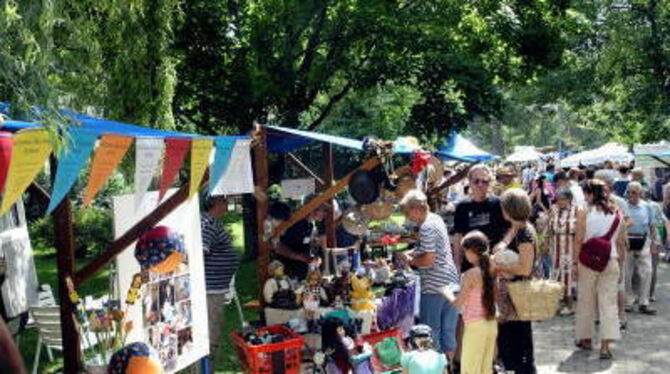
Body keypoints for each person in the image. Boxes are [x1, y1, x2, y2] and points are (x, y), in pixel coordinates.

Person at [397, 190, 460, 363]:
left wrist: (410, 261)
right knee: (448, 332)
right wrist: (412, 253)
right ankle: (449, 368)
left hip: (434, 287)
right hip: (452, 283)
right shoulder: (436, 219)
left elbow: (428, 259)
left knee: (431, 333)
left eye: (408, 213)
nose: (409, 218)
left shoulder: (426, 227)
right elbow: (432, 250)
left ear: (416, 209)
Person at [574, 179, 624, 360]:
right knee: (608, 303)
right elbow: (619, 242)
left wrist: (574, 263)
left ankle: (586, 339)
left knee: (585, 300)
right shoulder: (617, 212)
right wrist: (622, 267)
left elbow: (579, 239)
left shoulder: (583, 211)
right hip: (610, 260)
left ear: (590, 194)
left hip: (587, 261)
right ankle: (605, 346)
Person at [492, 188, 537, 374]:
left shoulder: (525, 232)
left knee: (518, 345)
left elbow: (525, 268)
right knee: (507, 345)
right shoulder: (513, 229)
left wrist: (498, 267)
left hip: (517, 297)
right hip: (506, 298)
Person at [200, 195, 240, 369]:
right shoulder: (207, 223)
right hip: (210, 290)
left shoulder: (210, 221)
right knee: (211, 332)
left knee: (214, 329)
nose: (227, 204)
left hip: (214, 288)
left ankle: (209, 366)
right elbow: (200, 252)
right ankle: (207, 368)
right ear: (215, 203)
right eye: (224, 200)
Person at [452, 231, 497, 374]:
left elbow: (458, 304)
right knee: (485, 369)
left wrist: (446, 293)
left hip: (475, 325)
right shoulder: (492, 268)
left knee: (470, 370)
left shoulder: (470, 274)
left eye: (465, 251)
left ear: (471, 251)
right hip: (491, 323)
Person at [453, 165, 508, 273]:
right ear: (469, 182)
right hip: (469, 265)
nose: (480, 185)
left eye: (485, 181)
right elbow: (458, 236)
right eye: (476, 181)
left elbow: (511, 228)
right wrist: (457, 263)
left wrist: (504, 243)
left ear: (490, 183)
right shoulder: (462, 206)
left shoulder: (498, 204)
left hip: (494, 264)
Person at [274, 195, 328, 280]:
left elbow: (302, 244)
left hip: (300, 272)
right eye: (323, 210)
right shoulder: (297, 224)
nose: (325, 214)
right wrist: (304, 258)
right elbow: (280, 247)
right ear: (313, 209)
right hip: (288, 272)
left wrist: (312, 257)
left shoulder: (309, 225)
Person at [624, 182, 657, 315]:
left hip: (643, 240)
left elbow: (652, 226)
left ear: (640, 193)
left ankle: (644, 302)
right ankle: (628, 301)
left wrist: (654, 242)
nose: (631, 195)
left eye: (634, 192)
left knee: (647, 271)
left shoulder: (647, 206)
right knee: (626, 273)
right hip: (627, 241)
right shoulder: (623, 206)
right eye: (630, 192)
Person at [547, 188, 579, 314]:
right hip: (555, 245)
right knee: (556, 273)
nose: (560, 202)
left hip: (570, 246)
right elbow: (548, 227)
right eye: (558, 199)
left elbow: (579, 231)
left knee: (568, 274)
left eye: (563, 199)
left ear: (569, 199)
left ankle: (569, 303)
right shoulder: (553, 209)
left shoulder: (576, 211)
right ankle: (559, 302)